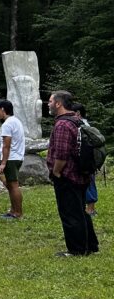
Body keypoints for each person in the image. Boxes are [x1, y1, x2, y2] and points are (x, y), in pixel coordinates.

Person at [47, 91, 99, 256]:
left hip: (67, 175)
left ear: (58, 104)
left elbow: (61, 154)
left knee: (70, 213)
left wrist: (56, 172)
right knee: (80, 211)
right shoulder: (77, 121)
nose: (47, 104)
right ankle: (90, 245)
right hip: (81, 174)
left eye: (50, 101)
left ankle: (76, 250)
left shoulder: (62, 125)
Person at [0, 99, 25, 220]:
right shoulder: (15, 121)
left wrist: (3, 163)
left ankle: (18, 213)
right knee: (11, 185)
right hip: (17, 157)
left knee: (13, 185)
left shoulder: (7, 124)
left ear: (2, 109)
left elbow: (6, 145)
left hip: (11, 158)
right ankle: (13, 211)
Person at [72, 103, 99, 217]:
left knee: (89, 184)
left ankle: (91, 209)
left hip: (86, 161)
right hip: (88, 160)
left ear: (78, 113)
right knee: (88, 183)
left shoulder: (83, 126)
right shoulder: (85, 124)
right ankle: (88, 208)